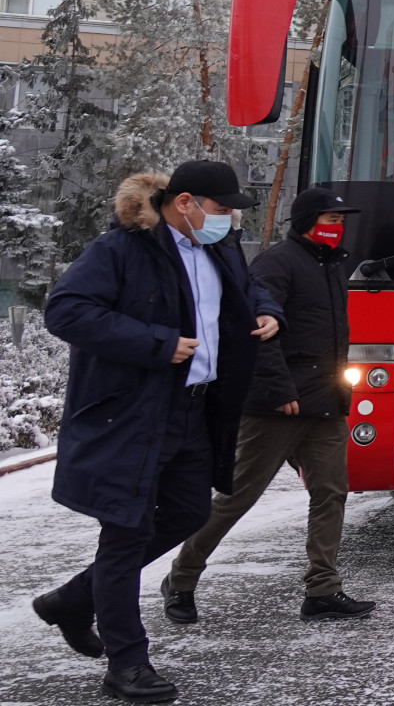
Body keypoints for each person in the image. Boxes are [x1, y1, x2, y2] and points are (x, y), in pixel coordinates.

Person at [33, 162, 284, 704]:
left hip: (197, 410)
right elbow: (66, 310)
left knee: (190, 512)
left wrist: (265, 311)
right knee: (124, 533)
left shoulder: (218, 247)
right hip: (132, 415)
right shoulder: (122, 248)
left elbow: (249, 286)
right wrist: (157, 342)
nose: (231, 219)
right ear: (186, 202)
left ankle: (74, 601)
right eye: (222, 209)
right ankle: (127, 663)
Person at [164, 187, 376, 625]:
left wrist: (341, 392)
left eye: (341, 222)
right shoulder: (277, 263)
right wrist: (280, 391)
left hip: (325, 402)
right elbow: (255, 332)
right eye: (330, 220)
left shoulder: (334, 265)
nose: (338, 228)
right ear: (306, 222)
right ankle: (181, 579)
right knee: (236, 498)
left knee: (331, 494)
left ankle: (323, 590)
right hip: (277, 406)